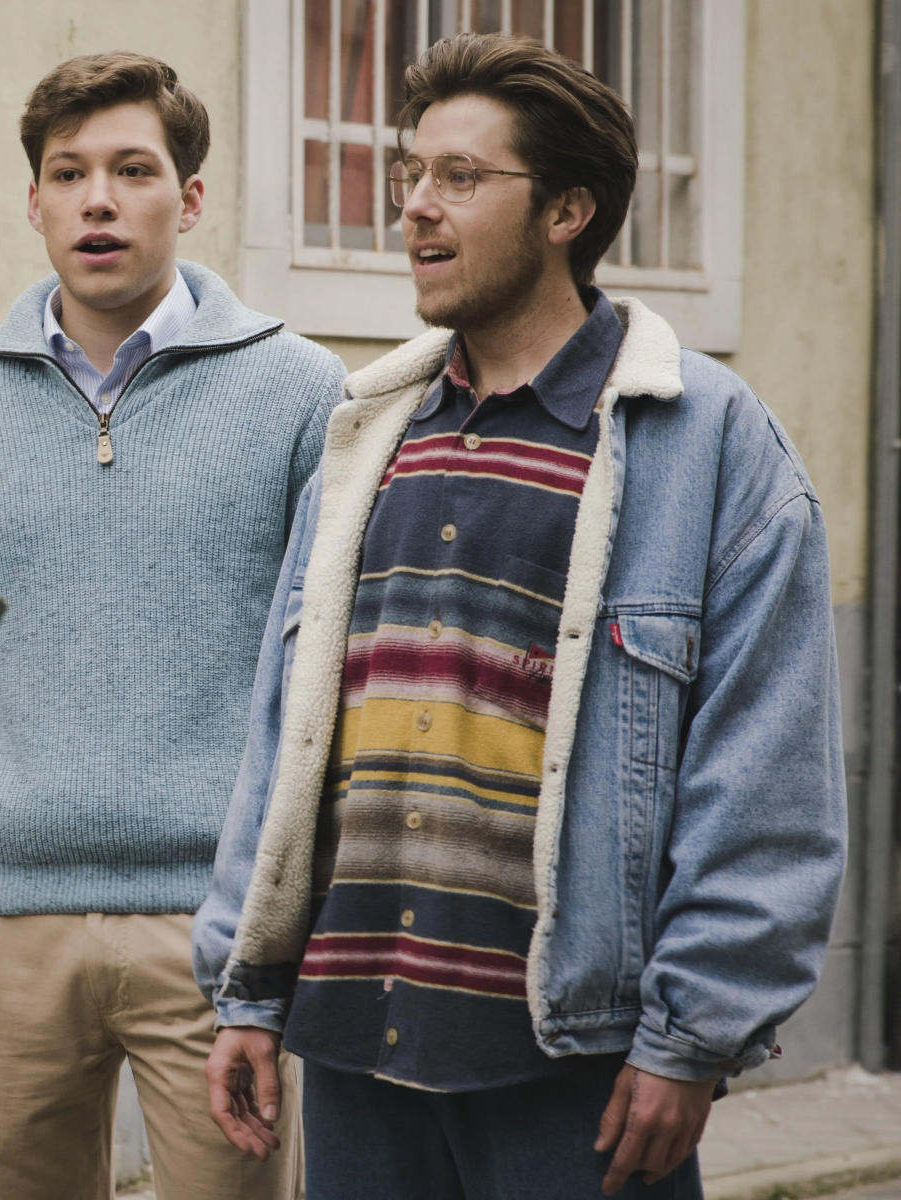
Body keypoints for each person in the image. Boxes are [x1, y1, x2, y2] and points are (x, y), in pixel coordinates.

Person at [194, 32, 846, 1200]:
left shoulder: (706, 443)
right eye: (411, 175)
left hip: (573, 1068)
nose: (415, 210)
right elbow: (283, 730)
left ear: (568, 210)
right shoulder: (366, 433)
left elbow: (765, 774)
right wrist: (247, 982)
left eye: (460, 178)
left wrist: (690, 1034)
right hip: (352, 1043)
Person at [0, 51, 345, 1200]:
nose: (98, 199)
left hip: (219, 937)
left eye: (132, 169)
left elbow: (328, 665)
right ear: (33, 203)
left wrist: (293, 909)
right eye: (68, 173)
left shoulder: (300, 393)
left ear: (189, 197)